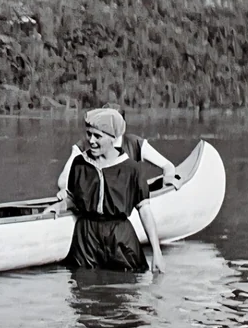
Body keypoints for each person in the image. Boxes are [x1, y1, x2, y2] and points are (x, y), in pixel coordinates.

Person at [46, 108, 164, 272]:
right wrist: (60, 206)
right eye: (89, 134)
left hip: (120, 239)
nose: (91, 141)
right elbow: (73, 198)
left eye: (97, 136)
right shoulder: (80, 164)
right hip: (86, 238)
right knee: (83, 289)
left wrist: (156, 252)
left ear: (112, 138)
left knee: (126, 287)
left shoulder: (132, 169)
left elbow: (144, 211)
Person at [55, 102, 181, 199]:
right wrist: (64, 190)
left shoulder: (135, 143)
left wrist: (168, 178)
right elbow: (63, 180)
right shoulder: (85, 145)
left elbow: (167, 166)